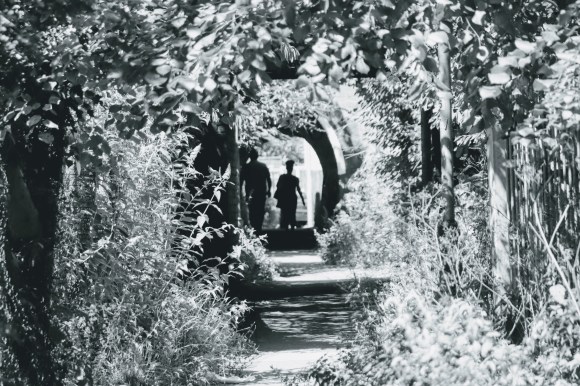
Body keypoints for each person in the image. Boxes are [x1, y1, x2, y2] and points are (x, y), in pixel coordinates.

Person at [240, 148, 271, 233]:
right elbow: (268, 179)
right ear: (257, 156)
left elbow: (241, 180)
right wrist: (269, 191)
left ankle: (254, 229)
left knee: (252, 211)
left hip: (250, 193)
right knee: (260, 210)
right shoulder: (263, 166)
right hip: (261, 192)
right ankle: (259, 228)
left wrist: (241, 192)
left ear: (250, 156)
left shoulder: (246, 167)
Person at [274, 160, 305, 230]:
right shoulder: (295, 179)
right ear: (292, 168)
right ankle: (292, 232)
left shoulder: (282, 177)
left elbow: (278, 186)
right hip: (292, 199)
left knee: (284, 214)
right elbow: (298, 190)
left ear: (286, 168)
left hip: (284, 199)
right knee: (292, 215)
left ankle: (284, 232)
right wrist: (302, 199)